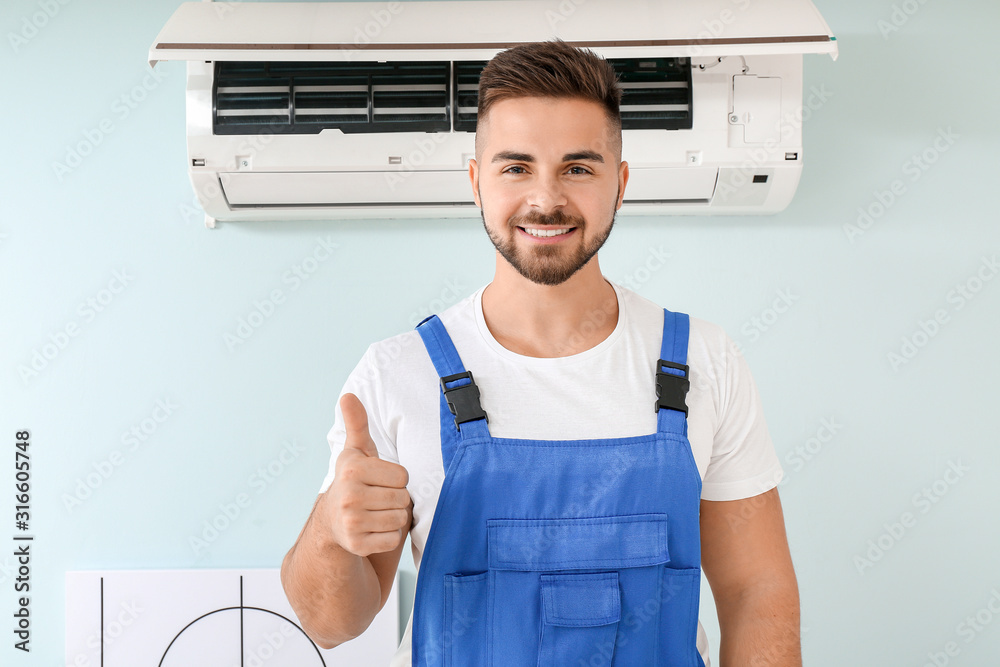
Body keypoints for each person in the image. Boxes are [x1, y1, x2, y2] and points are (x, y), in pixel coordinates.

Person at [281, 39, 800, 666]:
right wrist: (332, 534)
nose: (546, 198)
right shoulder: (397, 374)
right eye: (516, 167)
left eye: (579, 167)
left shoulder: (702, 364)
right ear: (477, 182)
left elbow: (756, 591)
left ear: (620, 182)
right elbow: (330, 623)